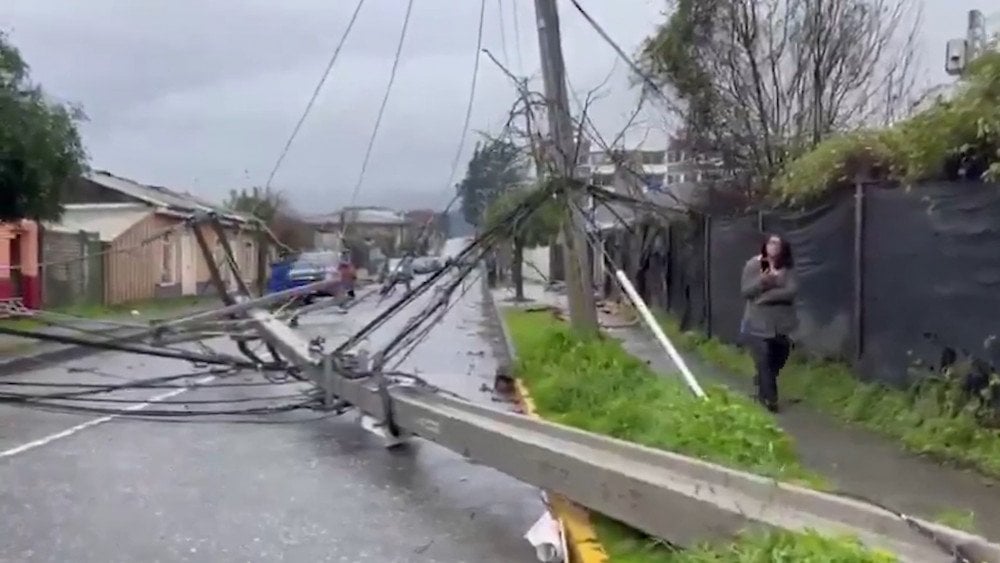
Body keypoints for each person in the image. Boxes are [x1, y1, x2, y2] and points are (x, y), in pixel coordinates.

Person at [740, 233, 798, 412]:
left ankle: (762, 385)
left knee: (779, 356)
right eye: (770, 243)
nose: (773, 246)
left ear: (783, 248)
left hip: (780, 324)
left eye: (777, 244)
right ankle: (770, 399)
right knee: (764, 359)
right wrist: (764, 282)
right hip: (757, 323)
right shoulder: (755, 265)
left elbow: (790, 292)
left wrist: (765, 298)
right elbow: (746, 291)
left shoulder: (786, 268)